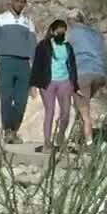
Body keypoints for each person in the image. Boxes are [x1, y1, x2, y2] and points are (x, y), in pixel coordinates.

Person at [0, 0, 37, 144]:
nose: (19, 4)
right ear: (11, 1)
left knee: (21, 101)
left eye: (22, 1)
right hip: (5, 62)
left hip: (23, 64)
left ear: (25, 4)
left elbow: (33, 46)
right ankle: (7, 131)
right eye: (17, 0)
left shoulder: (28, 23)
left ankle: (14, 130)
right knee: (6, 98)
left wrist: (36, 69)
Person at [29, 19, 80, 153]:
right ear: (52, 31)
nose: (61, 32)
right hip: (48, 82)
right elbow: (37, 65)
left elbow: (73, 66)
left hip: (65, 82)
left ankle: (60, 136)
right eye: (59, 29)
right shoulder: (43, 45)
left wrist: (75, 85)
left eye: (63, 29)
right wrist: (33, 84)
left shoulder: (68, 46)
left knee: (66, 112)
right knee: (50, 112)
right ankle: (47, 143)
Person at [65, 11, 107, 146]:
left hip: (82, 73)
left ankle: (89, 144)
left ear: (71, 21)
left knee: (84, 111)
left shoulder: (71, 33)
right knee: (81, 105)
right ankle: (78, 138)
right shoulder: (95, 34)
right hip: (100, 74)